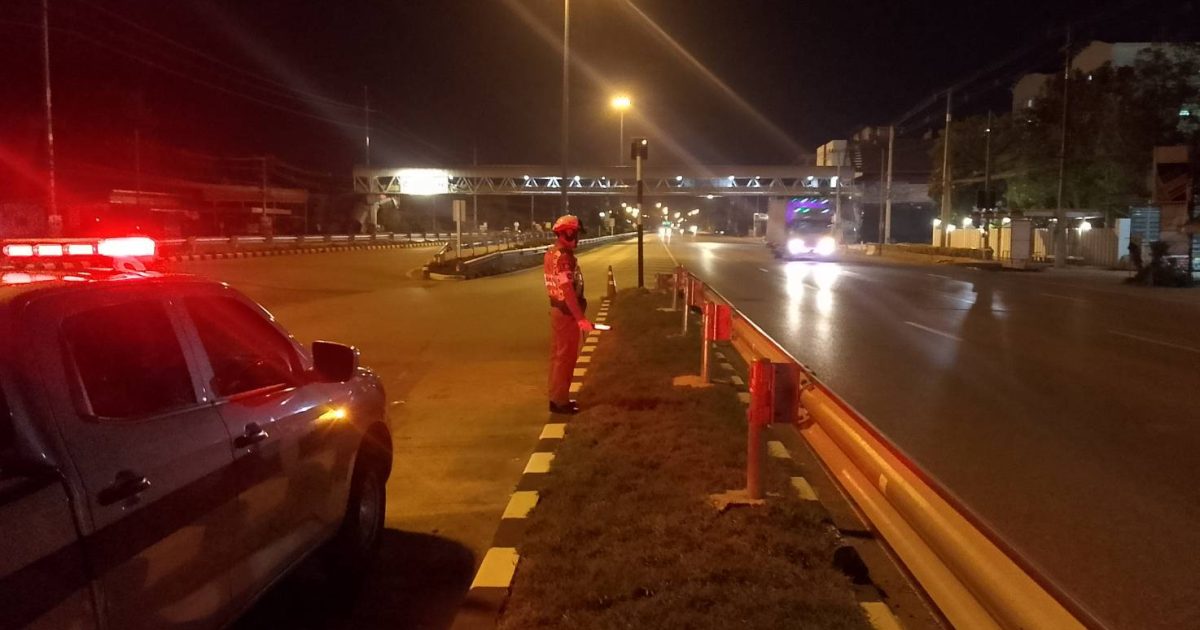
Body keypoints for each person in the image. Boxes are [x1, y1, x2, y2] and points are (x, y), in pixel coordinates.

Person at [544, 214, 593, 414]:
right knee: (566, 358)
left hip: (558, 310)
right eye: (576, 234)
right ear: (569, 233)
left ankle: (556, 396)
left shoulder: (552, 253)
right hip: (566, 313)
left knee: (558, 357)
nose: (578, 238)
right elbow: (568, 290)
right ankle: (560, 401)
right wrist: (580, 318)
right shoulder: (564, 258)